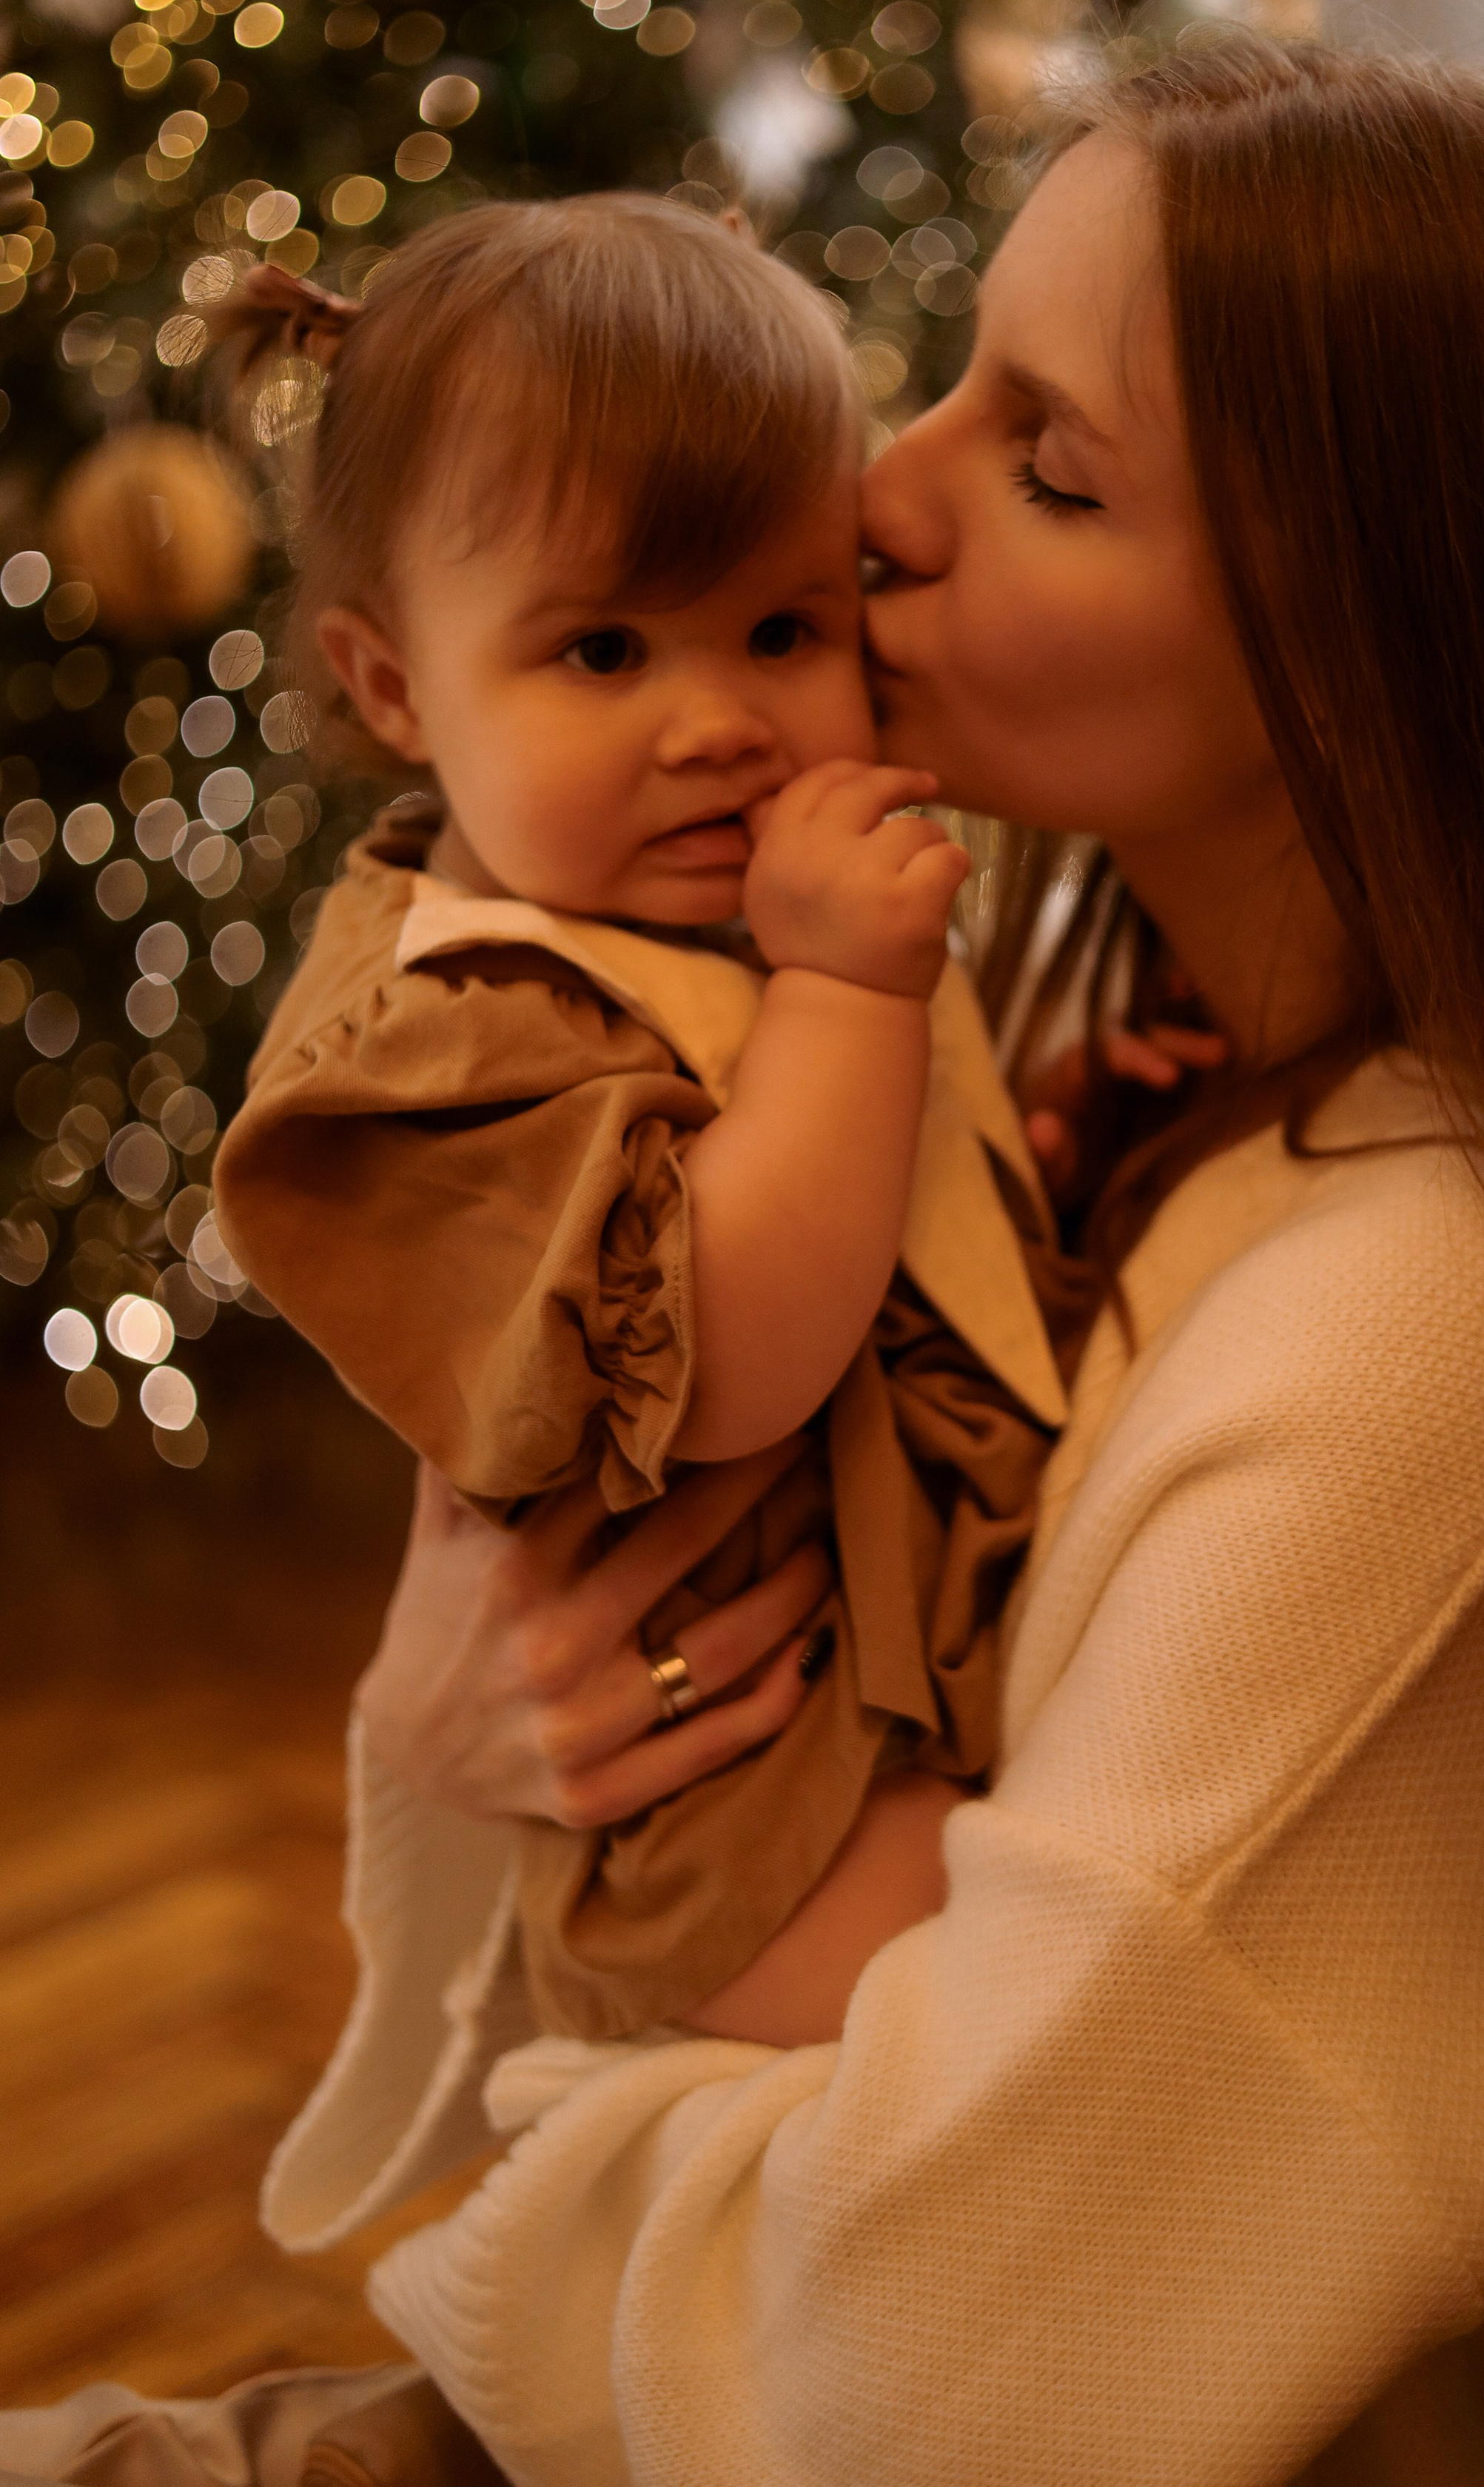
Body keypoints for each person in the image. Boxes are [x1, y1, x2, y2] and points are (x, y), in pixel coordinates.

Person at [3, 37, 1484, 2486]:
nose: (873, 496)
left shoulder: (1424, 1355)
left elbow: (907, 2361)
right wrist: (460, 1724)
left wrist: (525, 2161)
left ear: (1382, 659)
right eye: (953, 383)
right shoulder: (1119, 1047)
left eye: (1049, 468)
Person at [208, 200, 1073, 2046]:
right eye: (605, 654)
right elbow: (737, 1349)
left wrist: (1040, 1135)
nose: (718, 724)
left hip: (924, 1690)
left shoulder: (696, 911)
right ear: (391, 688)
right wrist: (851, 997)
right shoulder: (447, 1037)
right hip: (748, 1827)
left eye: (780, 627)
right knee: (1050, 2055)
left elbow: (883, 1220)